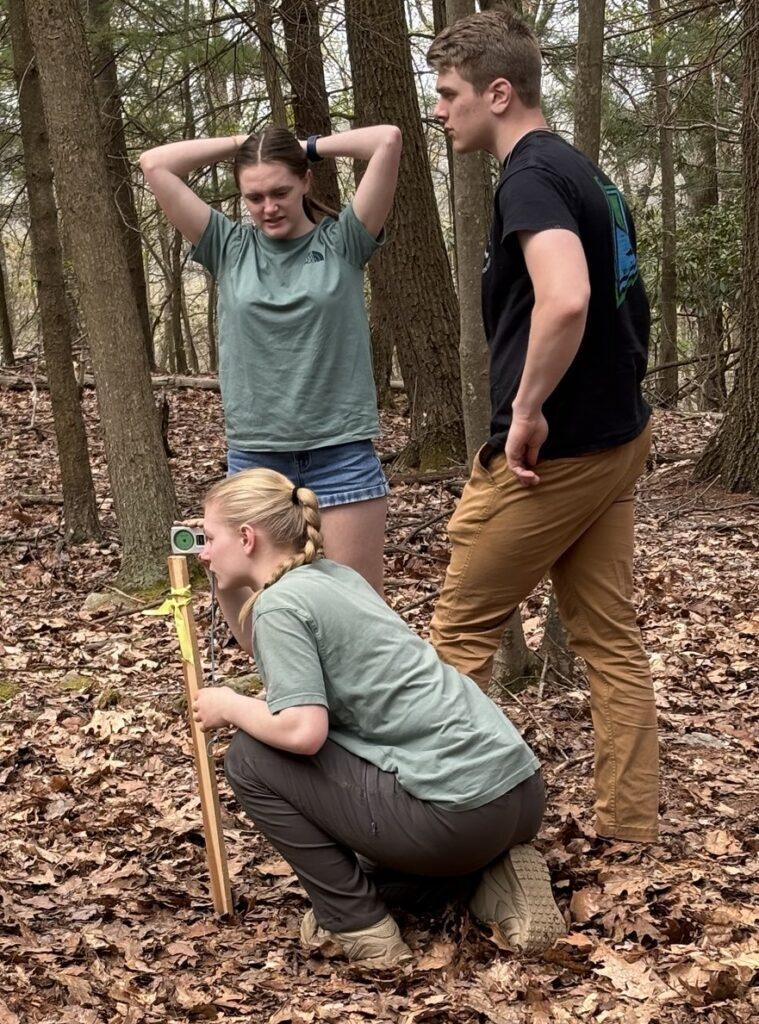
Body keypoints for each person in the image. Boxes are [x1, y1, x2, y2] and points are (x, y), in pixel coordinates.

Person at [426, 10, 659, 843]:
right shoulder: (585, 174)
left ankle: (458, 831)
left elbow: (567, 298)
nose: (440, 111)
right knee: (609, 640)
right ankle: (629, 834)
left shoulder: (528, 178)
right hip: (614, 440)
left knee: (455, 638)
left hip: (552, 456)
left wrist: (526, 412)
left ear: (498, 92)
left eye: (448, 95)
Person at [192, 468, 565, 967]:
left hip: (454, 819)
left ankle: (358, 924)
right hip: (517, 793)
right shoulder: (334, 578)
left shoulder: (280, 607)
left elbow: (303, 732)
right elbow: (266, 642)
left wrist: (229, 706)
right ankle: (490, 882)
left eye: (209, 538)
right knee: (374, 834)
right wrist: (223, 587)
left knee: (251, 757)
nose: (202, 552)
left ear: (246, 537)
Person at [139, 124, 402, 595]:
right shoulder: (228, 247)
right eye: (254, 197)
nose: (268, 207)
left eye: (280, 191)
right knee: (256, 612)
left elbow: (386, 140)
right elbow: (156, 164)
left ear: (306, 181)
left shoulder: (344, 241)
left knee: (359, 616)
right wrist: (242, 143)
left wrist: (307, 147)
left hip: (340, 452)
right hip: (257, 459)